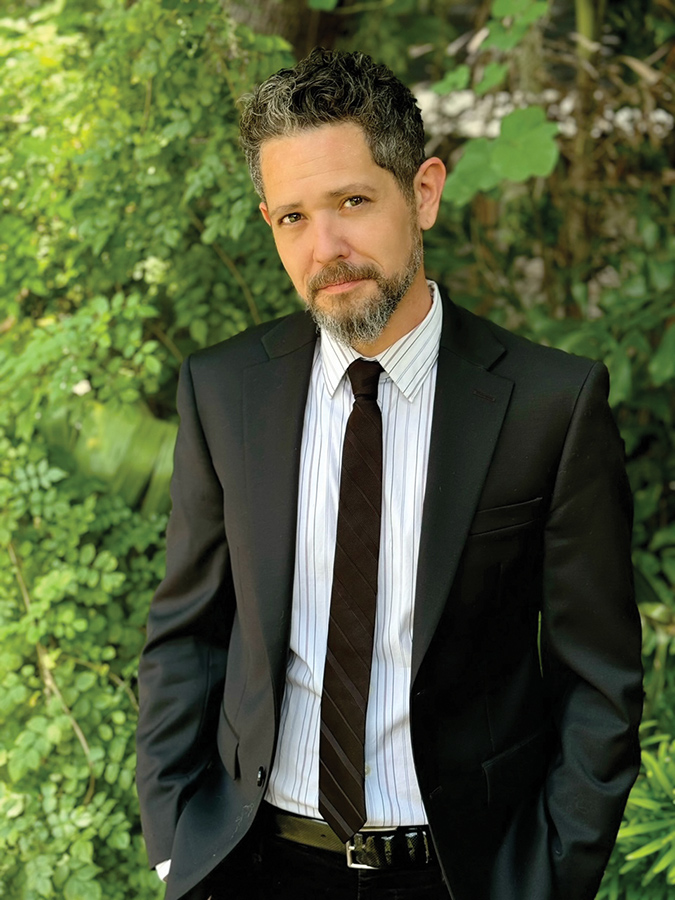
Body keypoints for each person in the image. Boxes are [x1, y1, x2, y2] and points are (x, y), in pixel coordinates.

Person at [136, 48, 643, 900]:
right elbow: (186, 633)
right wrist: (173, 842)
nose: (325, 248)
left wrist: (552, 876)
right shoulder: (224, 392)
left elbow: (597, 678)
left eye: (352, 202)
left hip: (458, 874)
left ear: (424, 193)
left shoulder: (549, 406)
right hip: (256, 864)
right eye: (292, 217)